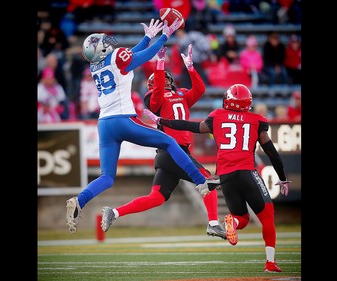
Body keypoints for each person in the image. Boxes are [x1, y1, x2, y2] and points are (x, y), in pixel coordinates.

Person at [65, 18, 218, 234]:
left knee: (107, 176)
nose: (108, 42)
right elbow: (141, 57)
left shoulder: (95, 65)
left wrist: (147, 37)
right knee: (168, 140)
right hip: (122, 120)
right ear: (101, 48)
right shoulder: (117, 57)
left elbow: (131, 57)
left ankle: (79, 200)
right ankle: (201, 181)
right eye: (103, 42)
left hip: (104, 124)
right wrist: (165, 35)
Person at [144, 83, 291, 272]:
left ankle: (232, 222)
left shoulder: (217, 116)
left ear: (228, 100)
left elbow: (191, 126)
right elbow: (271, 153)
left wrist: (162, 120)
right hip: (248, 172)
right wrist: (282, 177)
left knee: (241, 218)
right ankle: (270, 262)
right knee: (267, 216)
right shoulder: (257, 120)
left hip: (225, 177)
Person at [100, 45, 225, 239]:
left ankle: (114, 212)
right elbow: (157, 95)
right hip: (172, 152)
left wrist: (191, 68)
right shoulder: (153, 96)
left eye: (168, 78)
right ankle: (213, 223)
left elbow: (200, 90)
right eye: (162, 79)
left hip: (174, 155)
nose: (166, 81)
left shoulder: (182, 94)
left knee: (156, 198)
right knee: (207, 180)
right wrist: (159, 64)